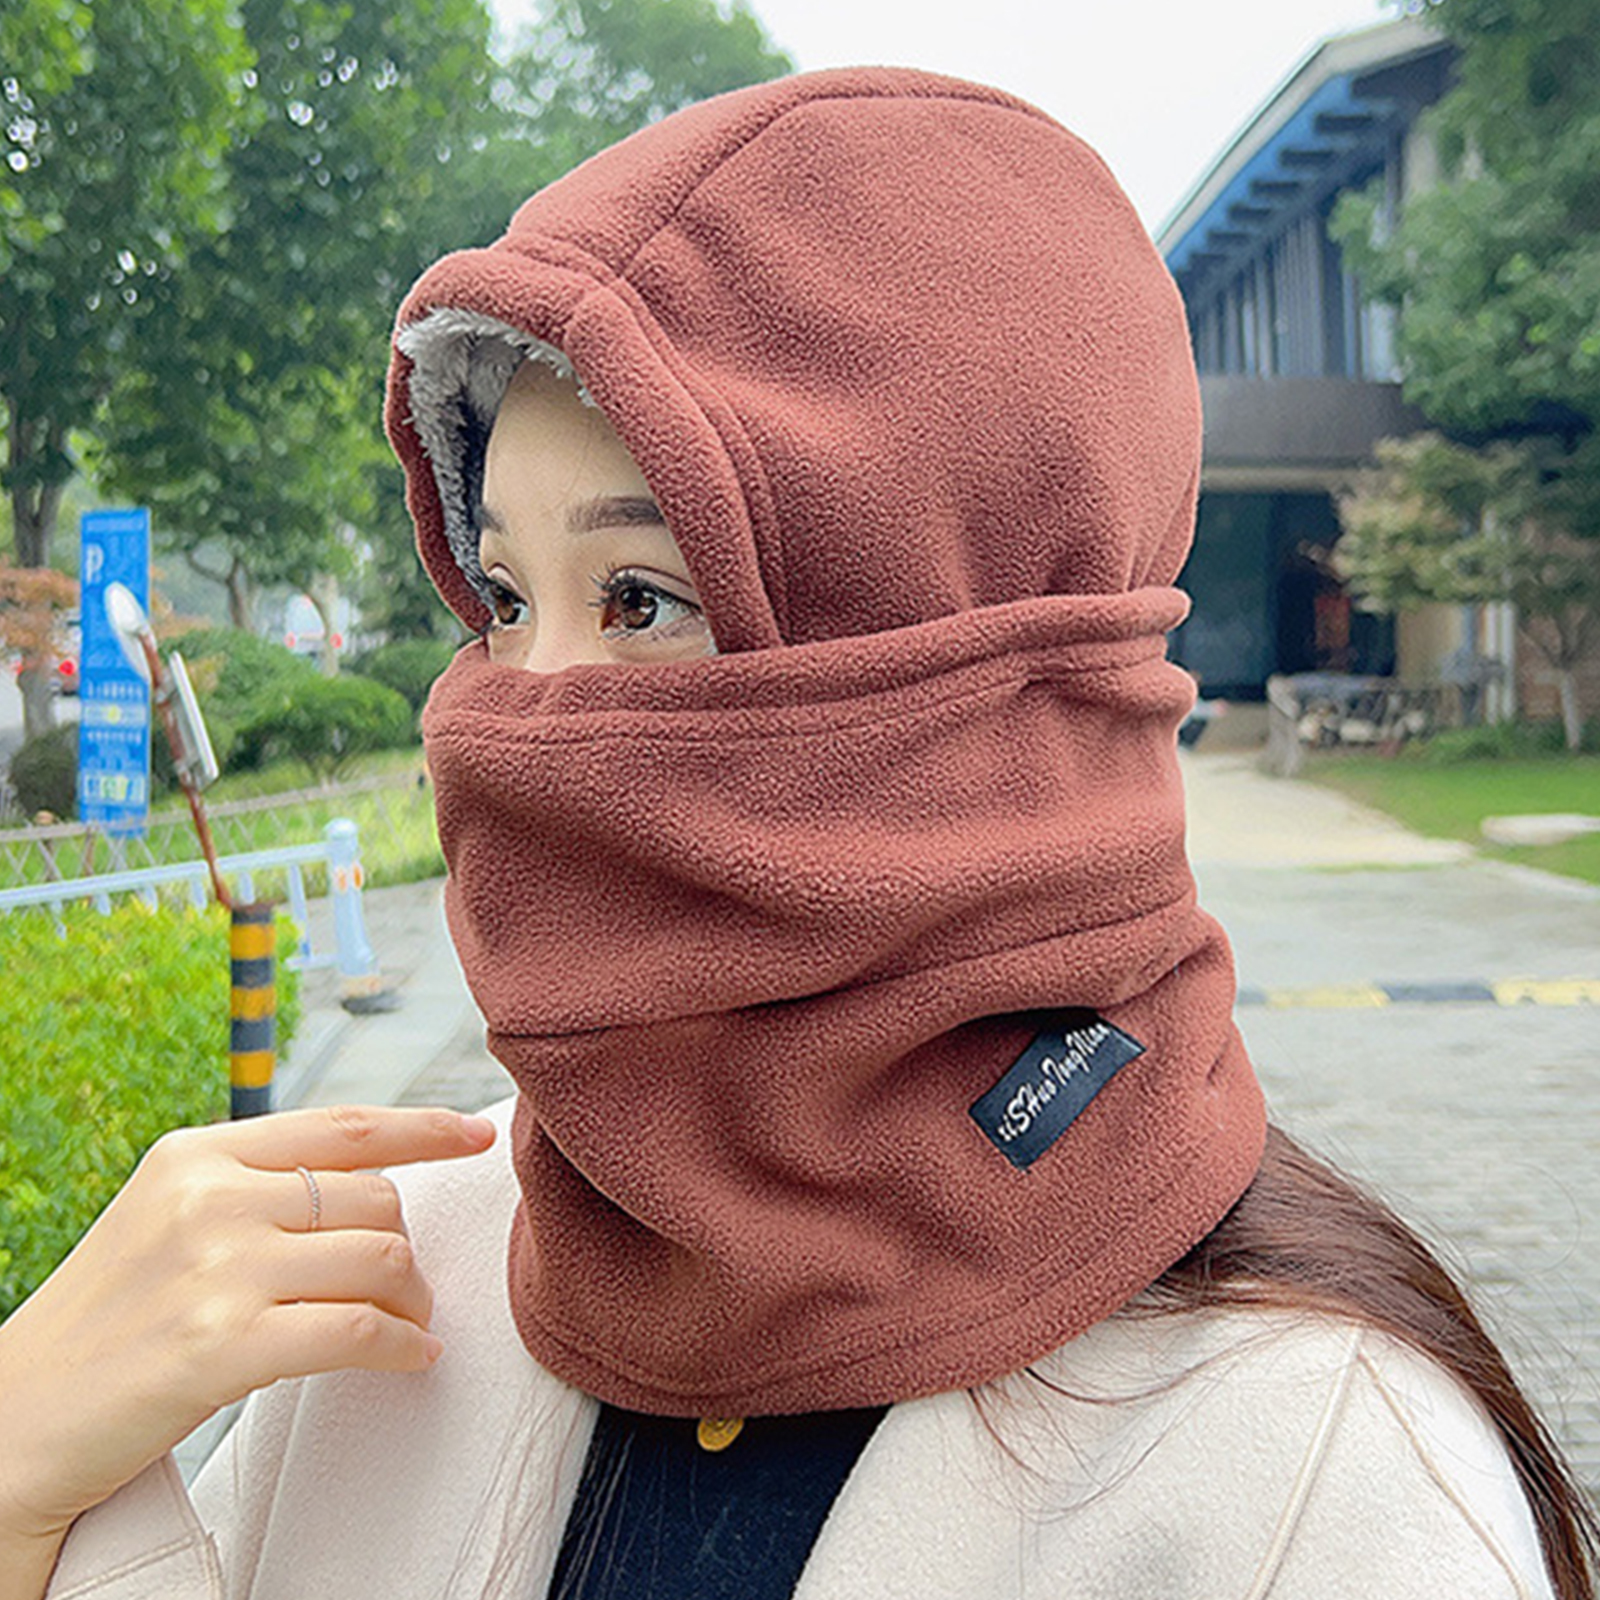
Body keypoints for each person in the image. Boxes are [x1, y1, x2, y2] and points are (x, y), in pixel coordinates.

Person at [0, 66, 1593, 1600]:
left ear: (992, 673)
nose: (523, 712)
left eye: (641, 600)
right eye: (504, 599)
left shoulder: (1318, 1475)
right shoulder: (388, 1291)